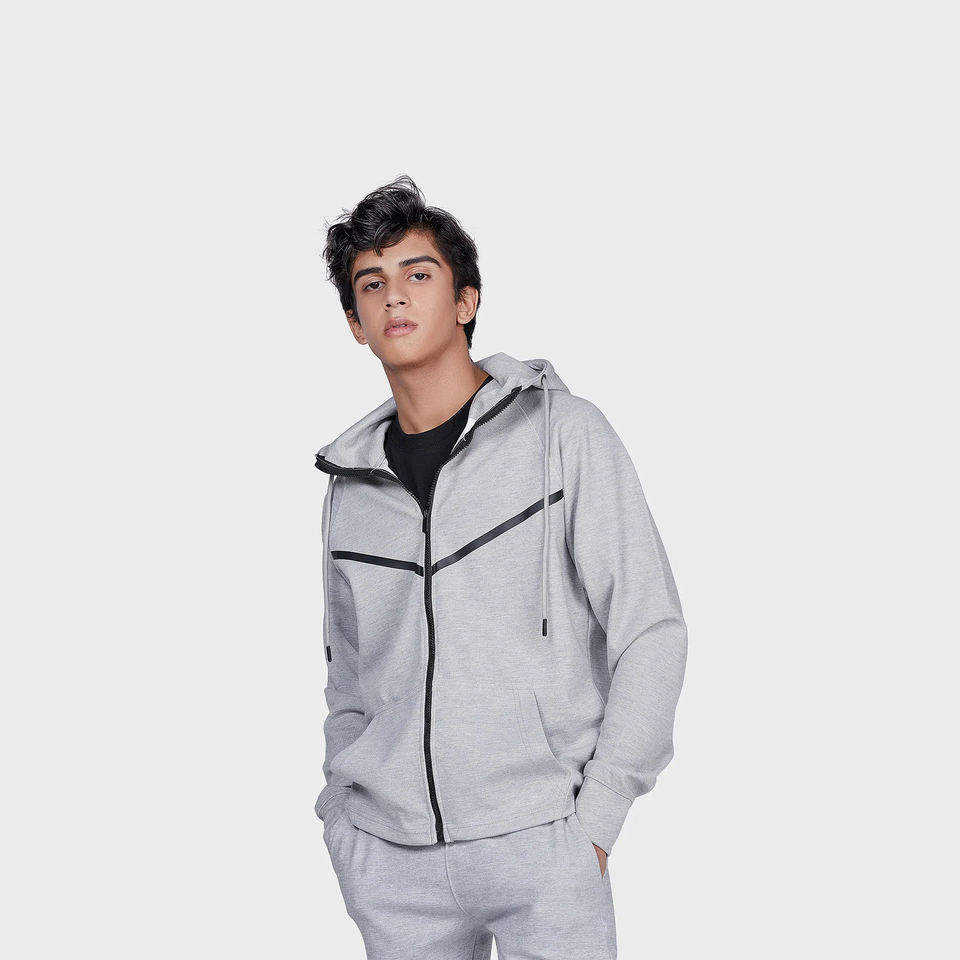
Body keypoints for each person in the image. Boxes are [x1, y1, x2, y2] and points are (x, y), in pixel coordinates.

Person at [313, 176, 688, 960]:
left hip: (543, 841)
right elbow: (349, 676)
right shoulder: (350, 487)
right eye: (371, 284)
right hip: (391, 862)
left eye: (418, 273)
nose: (394, 296)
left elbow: (650, 630)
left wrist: (597, 818)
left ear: (466, 300)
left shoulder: (565, 436)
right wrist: (343, 819)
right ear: (355, 324)